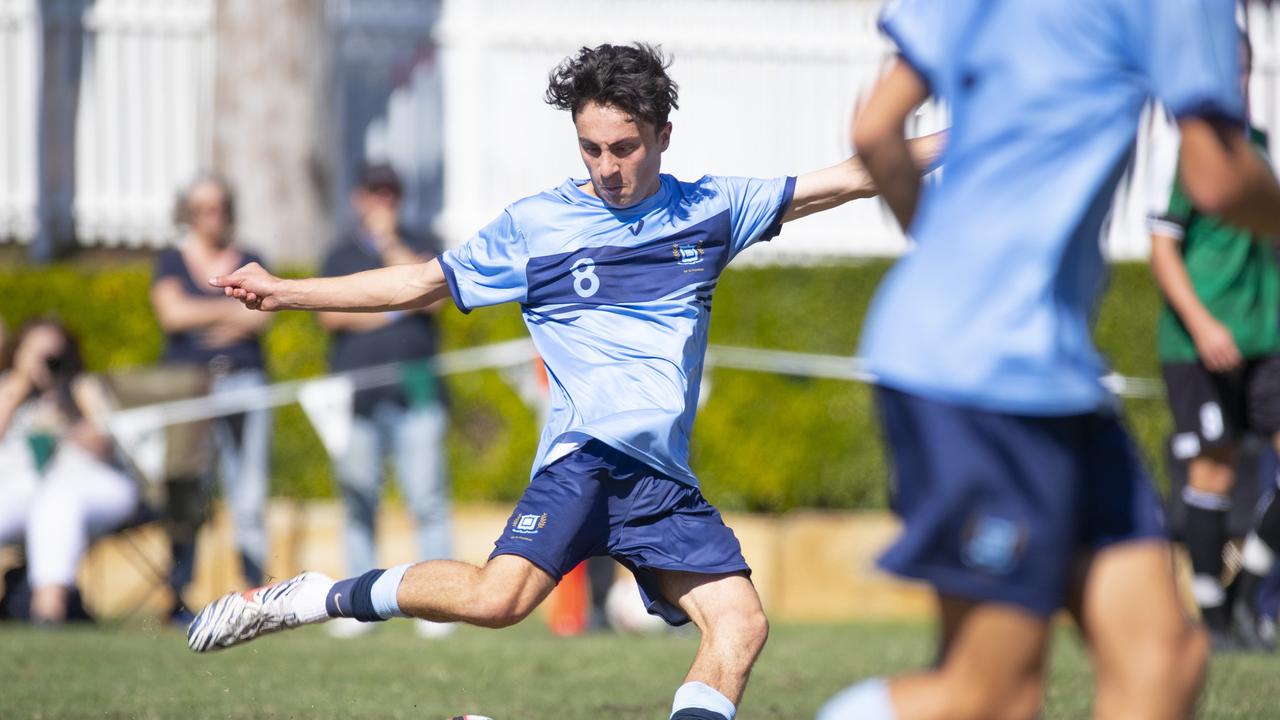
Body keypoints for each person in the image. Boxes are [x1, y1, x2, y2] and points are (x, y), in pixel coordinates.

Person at [187, 43, 940, 720]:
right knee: (495, 600)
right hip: (583, 460)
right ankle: (316, 596)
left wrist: (994, 134)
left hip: (661, 480)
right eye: (590, 149)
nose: (607, 169)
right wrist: (287, 291)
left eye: (625, 148)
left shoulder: (711, 209)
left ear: (663, 138)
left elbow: (850, 177)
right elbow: (417, 284)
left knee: (740, 625)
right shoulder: (538, 226)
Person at [820, 1, 1280, 719]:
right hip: (983, 378)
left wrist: (949, 263)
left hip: (1046, 372)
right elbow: (1217, 177)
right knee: (991, 695)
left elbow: (876, 130)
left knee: (1164, 660)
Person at [1151, 35, 1280, 654]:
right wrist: (1203, 324)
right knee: (1215, 470)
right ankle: (1214, 618)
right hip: (1199, 342)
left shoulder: (1259, 149)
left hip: (1268, 338)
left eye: (1242, 70)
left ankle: (1245, 588)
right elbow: (1162, 247)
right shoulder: (1180, 151)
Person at [319, 163, 454, 640]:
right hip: (355, 395)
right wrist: (397, 307)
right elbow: (332, 318)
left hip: (417, 390)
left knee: (428, 498)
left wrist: (391, 252)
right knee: (358, 500)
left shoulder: (422, 242)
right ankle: (359, 607)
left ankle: (438, 606)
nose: (383, 203)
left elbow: (433, 298)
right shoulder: (339, 252)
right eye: (375, 194)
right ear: (359, 198)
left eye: (390, 194)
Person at [150, 173, 273, 602]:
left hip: (246, 383)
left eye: (217, 208)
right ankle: (179, 597)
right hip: (190, 389)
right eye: (201, 209)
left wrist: (200, 315)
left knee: (249, 496)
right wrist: (229, 311)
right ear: (187, 213)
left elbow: (260, 316)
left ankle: (258, 597)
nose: (210, 217)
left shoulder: (251, 256)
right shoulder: (170, 260)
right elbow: (172, 316)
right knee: (188, 492)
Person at [0, 318, 139, 623]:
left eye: (53, 355)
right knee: (40, 497)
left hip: (89, 483)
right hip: (21, 488)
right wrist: (18, 386)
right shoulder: (9, 388)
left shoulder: (82, 388)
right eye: (35, 353)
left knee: (57, 499)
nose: (45, 362)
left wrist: (66, 399)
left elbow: (104, 446)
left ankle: (48, 609)